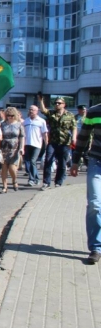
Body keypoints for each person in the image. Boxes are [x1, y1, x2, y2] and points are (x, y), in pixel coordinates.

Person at [69, 103, 101, 265]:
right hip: (97, 162)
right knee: (95, 204)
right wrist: (75, 162)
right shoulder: (94, 112)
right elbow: (83, 137)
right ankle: (96, 247)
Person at [38, 94, 77, 189]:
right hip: (53, 142)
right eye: (55, 103)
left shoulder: (70, 115)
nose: (57, 104)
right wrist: (40, 100)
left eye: (59, 103)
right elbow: (43, 110)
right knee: (48, 161)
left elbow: (74, 128)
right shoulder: (52, 113)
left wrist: (74, 138)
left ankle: (58, 182)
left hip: (64, 143)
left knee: (62, 163)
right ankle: (46, 182)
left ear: (64, 104)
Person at [0, 106, 25, 193]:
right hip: (4, 148)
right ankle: (4, 187)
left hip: (15, 148)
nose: (10, 117)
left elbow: (22, 137)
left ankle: (14, 180)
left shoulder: (19, 124)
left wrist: (21, 148)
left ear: (15, 115)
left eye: (12, 115)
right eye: (8, 115)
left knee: (12, 168)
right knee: (4, 168)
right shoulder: (2, 124)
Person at [23, 105, 49, 186]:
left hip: (37, 144)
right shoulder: (25, 121)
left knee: (32, 161)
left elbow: (45, 133)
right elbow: (23, 134)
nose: (31, 111)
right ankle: (36, 178)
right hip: (27, 144)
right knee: (29, 162)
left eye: (33, 110)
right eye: (30, 109)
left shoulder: (41, 121)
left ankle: (31, 179)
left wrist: (47, 144)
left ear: (37, 111)